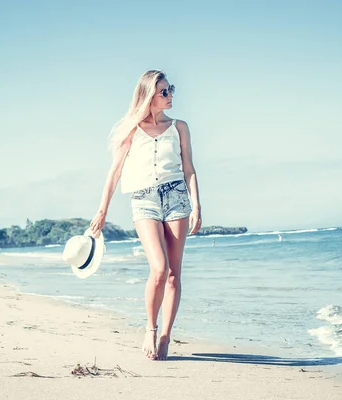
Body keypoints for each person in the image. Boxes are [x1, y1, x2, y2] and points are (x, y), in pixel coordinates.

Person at [89, 70, 202, 361]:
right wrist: (102, 210)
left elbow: (188, 167)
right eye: (164, 91)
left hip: (178, 198)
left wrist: (197, 206)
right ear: (149, 95)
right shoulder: (132, 129)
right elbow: (114, 173)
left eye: (170, 89)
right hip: (145, 200)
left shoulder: (180, 127)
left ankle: (166, 335)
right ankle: (150, 329)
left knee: (175, 276)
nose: (170, 95)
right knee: (160, 269)